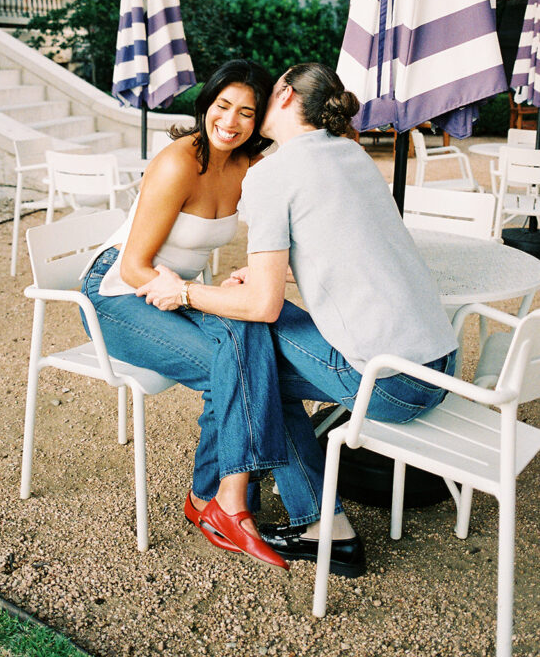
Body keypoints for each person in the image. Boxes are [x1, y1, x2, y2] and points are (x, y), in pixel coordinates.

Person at [140, 61, 458, 577]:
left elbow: (260, 309)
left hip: (391, 382)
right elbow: (354, 253)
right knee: (255, 352)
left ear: (284, 95)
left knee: (253, 352)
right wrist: (272, 277)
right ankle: (271, 508)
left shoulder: (272, 174)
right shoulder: (351, 154)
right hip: (440, 362)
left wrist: (185, 291)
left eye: (267, 93)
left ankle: (270, 508)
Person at [81, 59, 289, 568]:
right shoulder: (180, 161)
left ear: (259, 121)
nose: (231, 122)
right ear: (206, 105)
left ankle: (215, 498)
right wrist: (185, 292)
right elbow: (133, 266)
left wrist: (247, 274)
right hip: (118, 294)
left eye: (246, 112)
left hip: (180, 290)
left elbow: (276, 237)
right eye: (222, 106)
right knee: (237, 365)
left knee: (252, 333)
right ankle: (220, 502)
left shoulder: (248, 167)